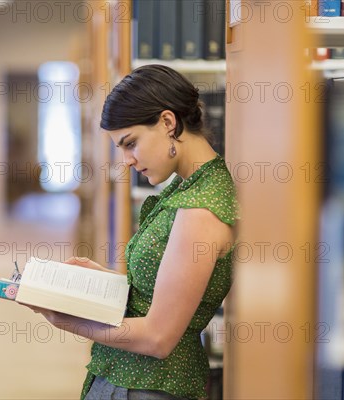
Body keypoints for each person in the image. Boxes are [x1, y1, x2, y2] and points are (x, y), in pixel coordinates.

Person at [27, 64, 239, 400]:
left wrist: (68, 320)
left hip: (151, 386)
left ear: (168, 123)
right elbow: (162, 287)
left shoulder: (201, 209)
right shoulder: (188, 188)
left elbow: (158, 337)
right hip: (135, 379)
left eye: (131, 143)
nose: (126, 160)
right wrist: (103, 280)